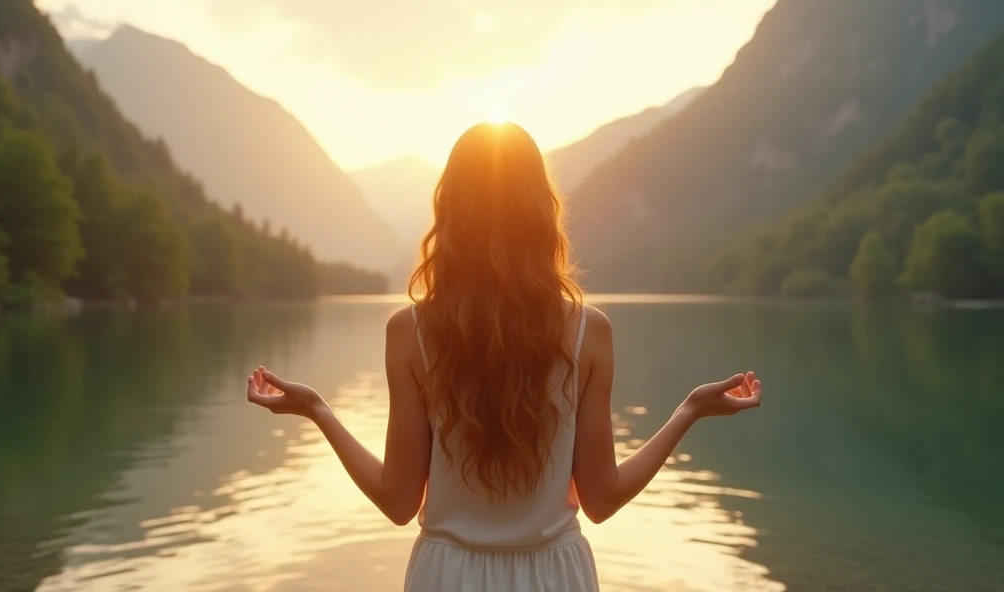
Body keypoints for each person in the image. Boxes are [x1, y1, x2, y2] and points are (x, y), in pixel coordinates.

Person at [246, 122, 763, 591]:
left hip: (447, 575)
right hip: (555, 575)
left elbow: (400, 502)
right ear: (540, 211)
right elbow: (601, 500)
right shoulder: (590, 332)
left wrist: (319, 410)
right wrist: (687, 412)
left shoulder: (410, 332)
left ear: (450, 211)